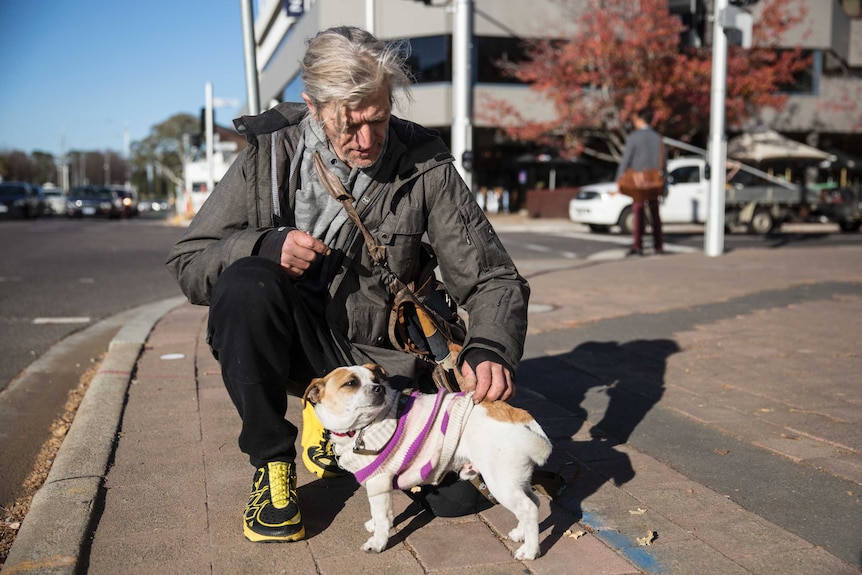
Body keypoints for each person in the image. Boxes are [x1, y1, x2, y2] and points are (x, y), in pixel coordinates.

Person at [165, 26, 529, 543]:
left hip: (375, 356)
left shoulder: (423, 161)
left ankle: (332, 423)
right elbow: (189, 263)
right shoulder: (269, 155)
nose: (365, 141)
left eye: (377, 120)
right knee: (247, 283)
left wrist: (491, 346)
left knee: (458, 499)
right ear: (313, 106)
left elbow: (492, 275)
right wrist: (263, 246)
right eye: (349, 124)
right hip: (288, 339)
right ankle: (273, 465)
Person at [616, 108, 665, 256]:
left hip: (638, 181)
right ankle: (659, 246)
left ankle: (637, 246)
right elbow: (664, 162)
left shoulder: (633, 138)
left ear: (640, 119)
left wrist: (619, 178)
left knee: (638, 212)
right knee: (655, 213)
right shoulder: (658, 138)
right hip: (655, 180)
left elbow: (626, 160)